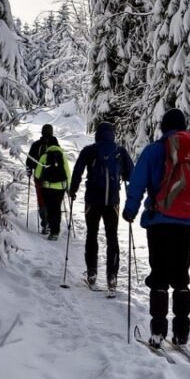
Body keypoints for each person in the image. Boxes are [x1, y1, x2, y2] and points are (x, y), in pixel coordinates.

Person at [122, 108, 190, 348]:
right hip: (187, 224)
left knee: (160, 277)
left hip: (159, 222)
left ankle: (158, 332)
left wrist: (131, 209)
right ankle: (181, 334)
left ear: (163, 127)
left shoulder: (154, 151)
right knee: (181, 277)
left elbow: (137, 183)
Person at [69, 122, 134, 291]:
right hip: (112, 201)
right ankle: (112, 276)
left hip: (92, 200)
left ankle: (92, 272)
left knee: (92, 234)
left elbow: (78, 171)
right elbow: (131, 174)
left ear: (98, 134)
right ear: (112, 134)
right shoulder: (120, 151)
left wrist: (72, 190)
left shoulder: (89, 150)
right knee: (112, 237)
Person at [34, 134, 71, 240]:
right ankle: (55, 232)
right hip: (60, 189)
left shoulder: (44, 157)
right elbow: (68, 174)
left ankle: (51, 228)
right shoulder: (63, 156)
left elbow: (37, 174)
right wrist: (69, 188)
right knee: (57, 209)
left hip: (47, 188)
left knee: (50, 209)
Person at [25, 125, 55, 234]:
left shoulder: (36, 145)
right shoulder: (55, 146)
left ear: (42, 132)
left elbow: (29, 161)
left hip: (39, 178)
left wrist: (29, 170)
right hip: (53, 178)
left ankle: (45, 223)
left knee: (42, 200)